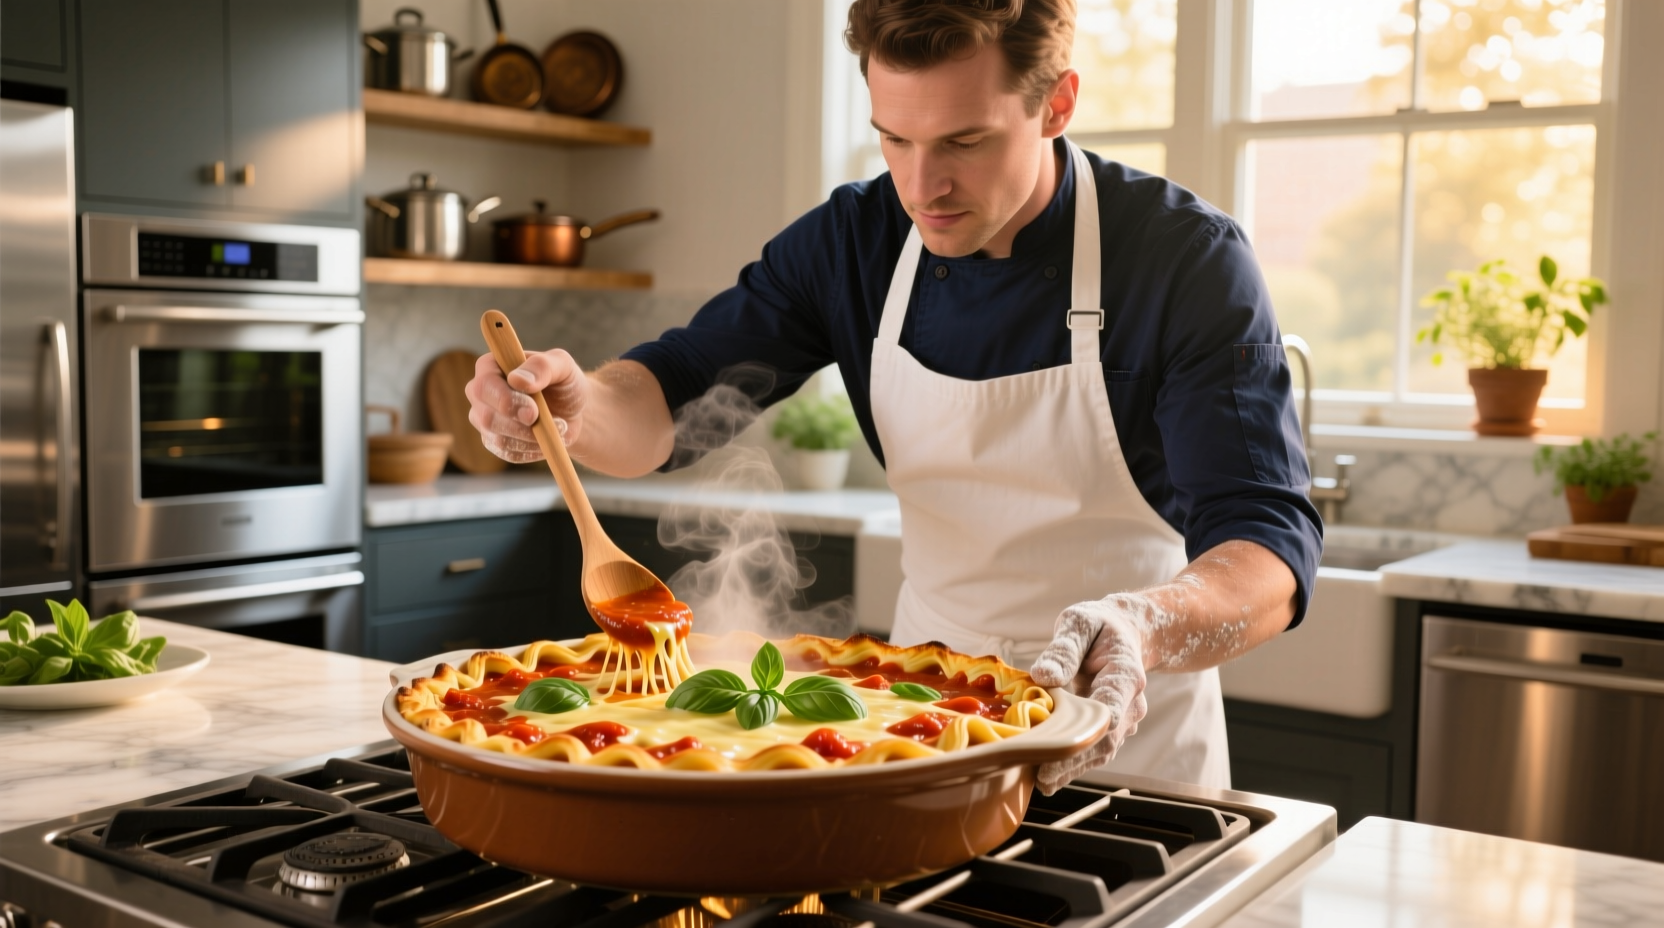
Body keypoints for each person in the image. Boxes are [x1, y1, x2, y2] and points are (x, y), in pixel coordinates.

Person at [465, 0, 1321, 793]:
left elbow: (1267, 548)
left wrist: (1143, 628)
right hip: (918, 725)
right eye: (894, 140)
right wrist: (575, 408)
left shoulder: (1184, 258)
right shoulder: (854, 242)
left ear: (1056, 106)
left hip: (1130, 744)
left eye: (965, 141)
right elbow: (672, 399)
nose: (923, 187)